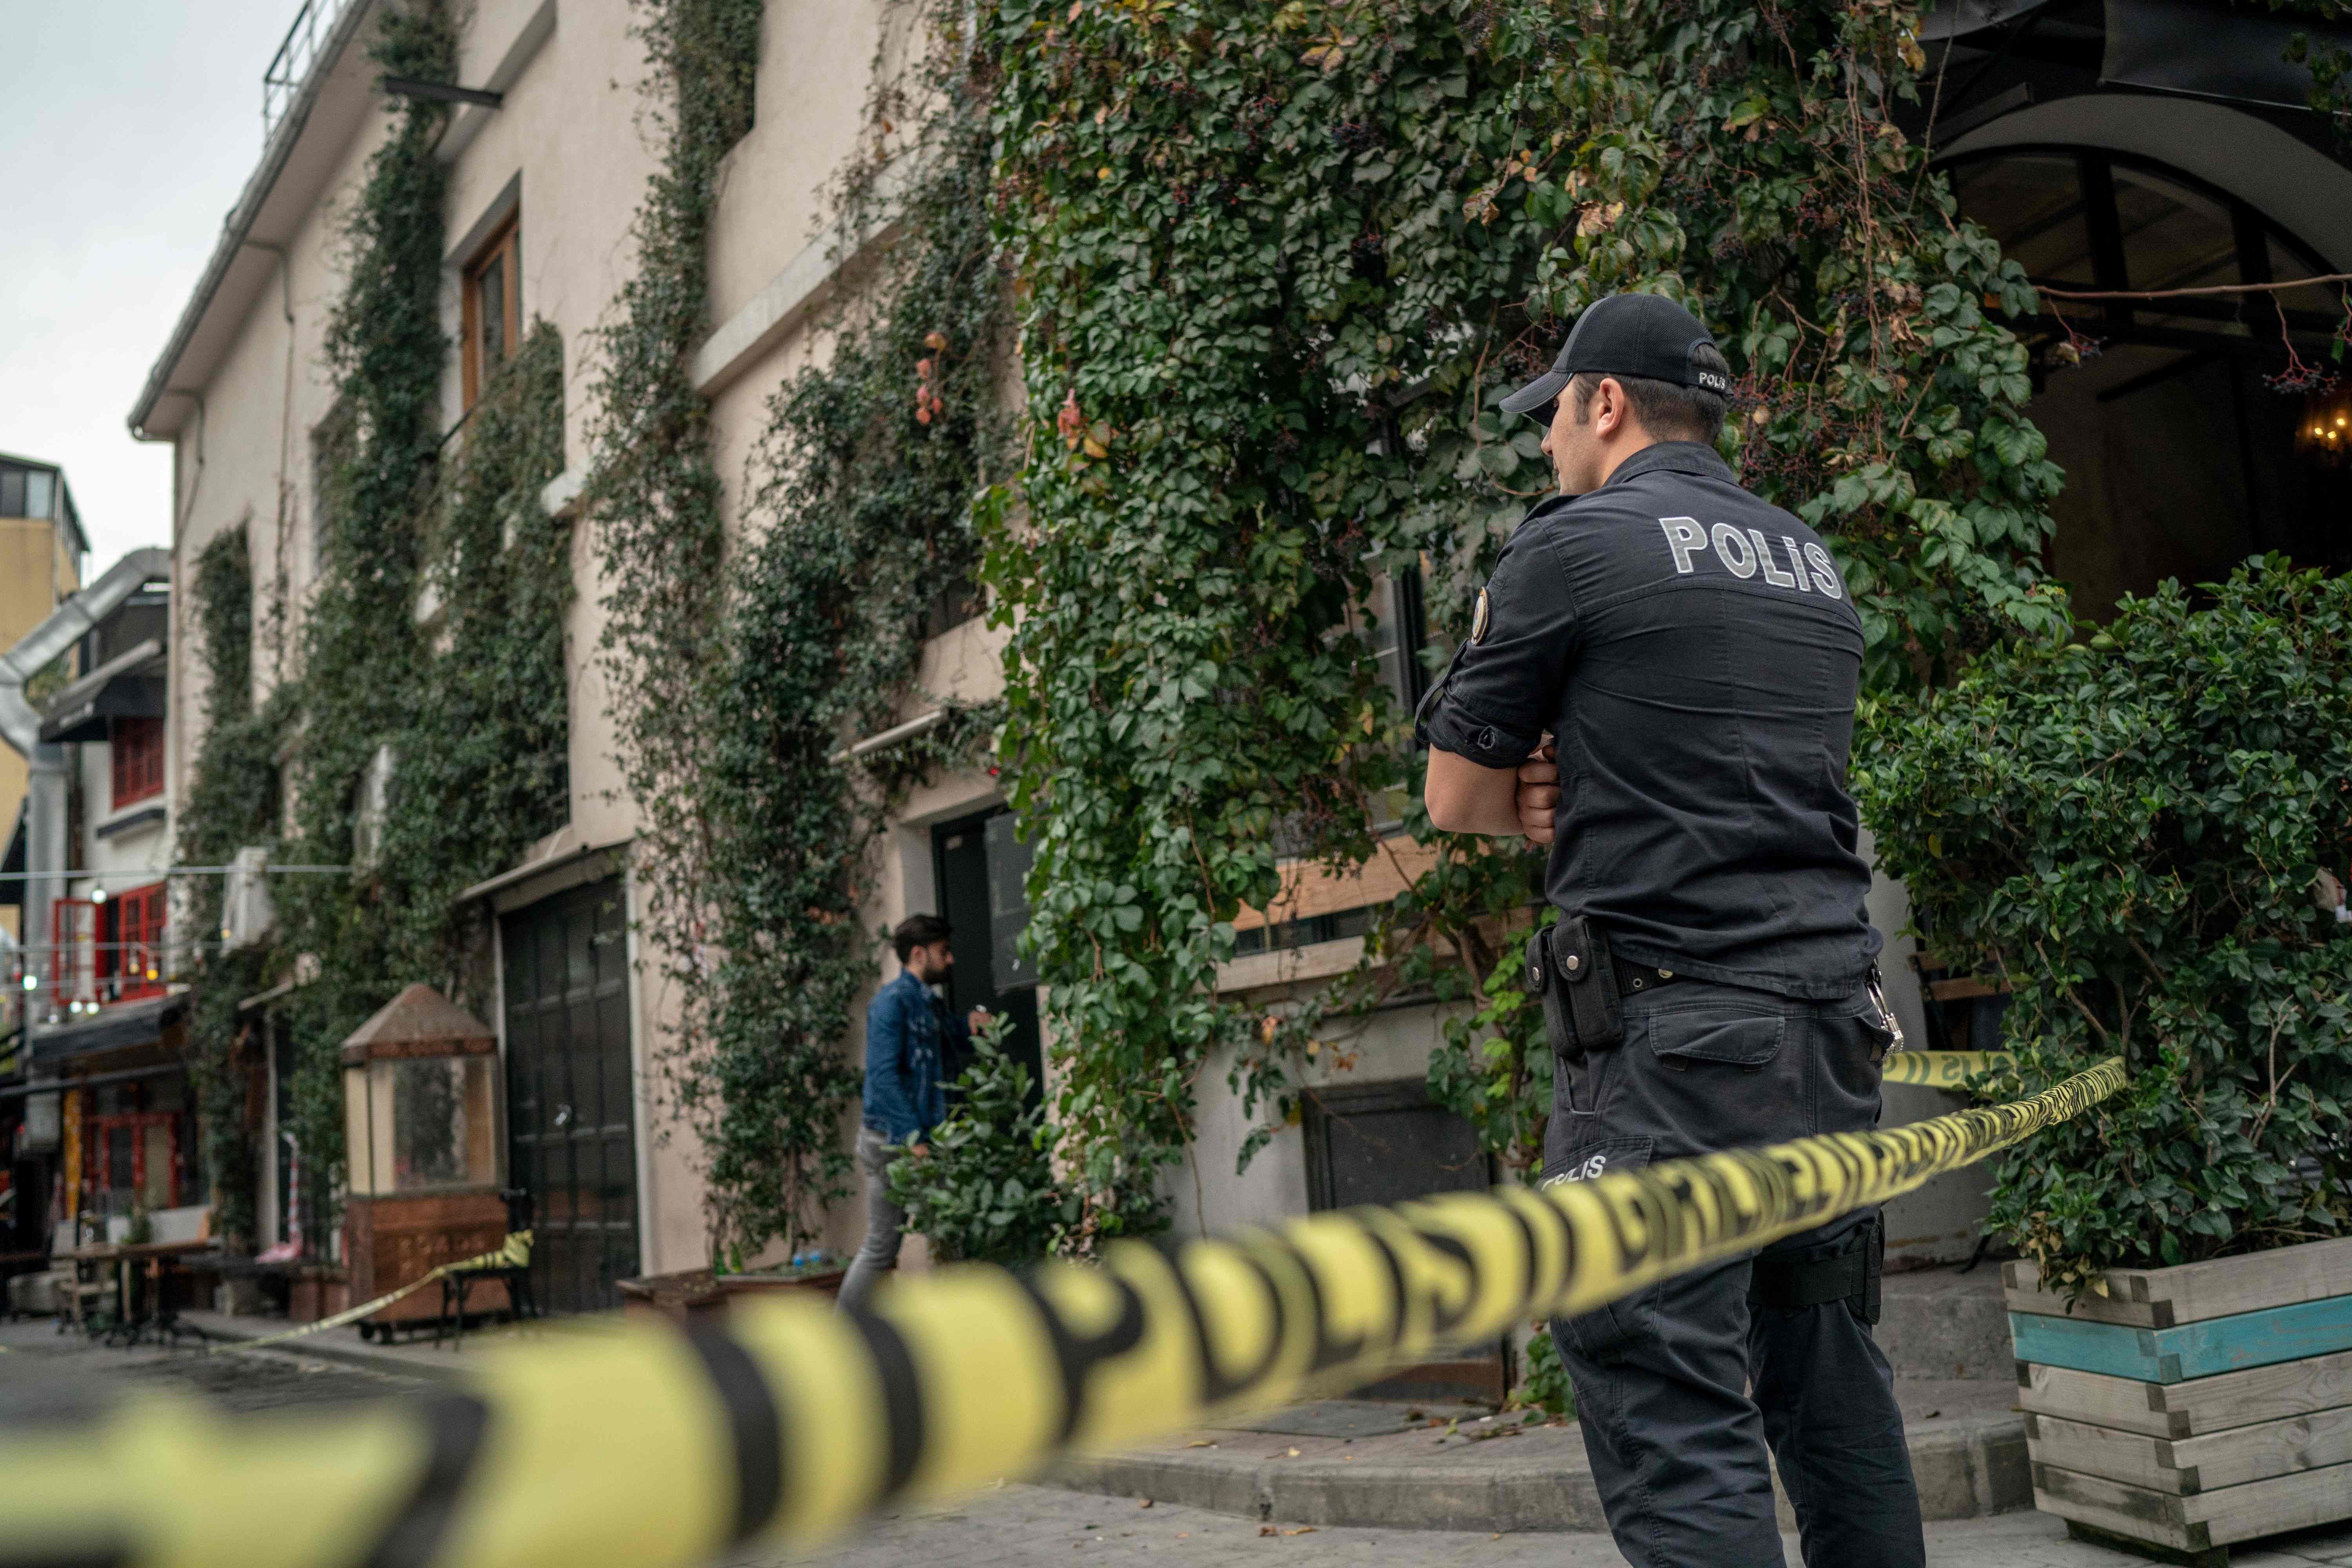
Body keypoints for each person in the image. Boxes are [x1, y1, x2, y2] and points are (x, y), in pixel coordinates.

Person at [1416, 292, 1926, 1567]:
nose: (1545, 448)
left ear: (1606, 403)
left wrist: (1545, 779)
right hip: (1831, 1034)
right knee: (1828, 1377)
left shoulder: (1572, 546)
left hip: (1669, 1049)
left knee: (1666, 1394)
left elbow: (1457, 795)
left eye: (1554, 418)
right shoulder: (1808, 562)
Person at [837, 914, 987, 1312]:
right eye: (944, 952)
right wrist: (914, 1139)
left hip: (913, 1137)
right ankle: (843, 1328)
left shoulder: (925, 1003)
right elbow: (884, 1077)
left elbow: (940, 1041)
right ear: (919, 954)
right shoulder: (892, 1002)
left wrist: (968, 1026)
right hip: (894, 1141)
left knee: (943, 1233)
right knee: (886, 1244)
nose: (951, 959)